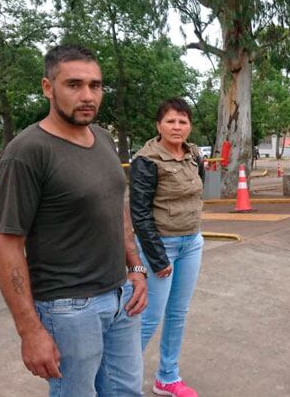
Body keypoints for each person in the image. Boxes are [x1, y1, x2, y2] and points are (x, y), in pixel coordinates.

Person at [0, 44, 147, 396]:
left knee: (127, 392)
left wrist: (135, 267)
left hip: (120, 298)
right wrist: (29, 330)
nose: (88, 95)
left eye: (95, 85)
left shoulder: (103, 138)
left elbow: (114, 204)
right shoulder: (28, 152)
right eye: (74, 85)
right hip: (68, 310)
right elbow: (7, 244)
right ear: (48, 87)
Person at [130, 98, 205, 397]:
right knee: (147, 318)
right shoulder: (146, 160)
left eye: (183, 121)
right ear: (158, 125)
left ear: (190, 126)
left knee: (178, 313)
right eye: (171, 121)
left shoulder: (193, 154)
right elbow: (140, 213)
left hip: (191, 242)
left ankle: (167, 377)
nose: (177, 127)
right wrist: (159, 259)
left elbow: (196, 189)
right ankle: (116, 380)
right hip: (159, 246)